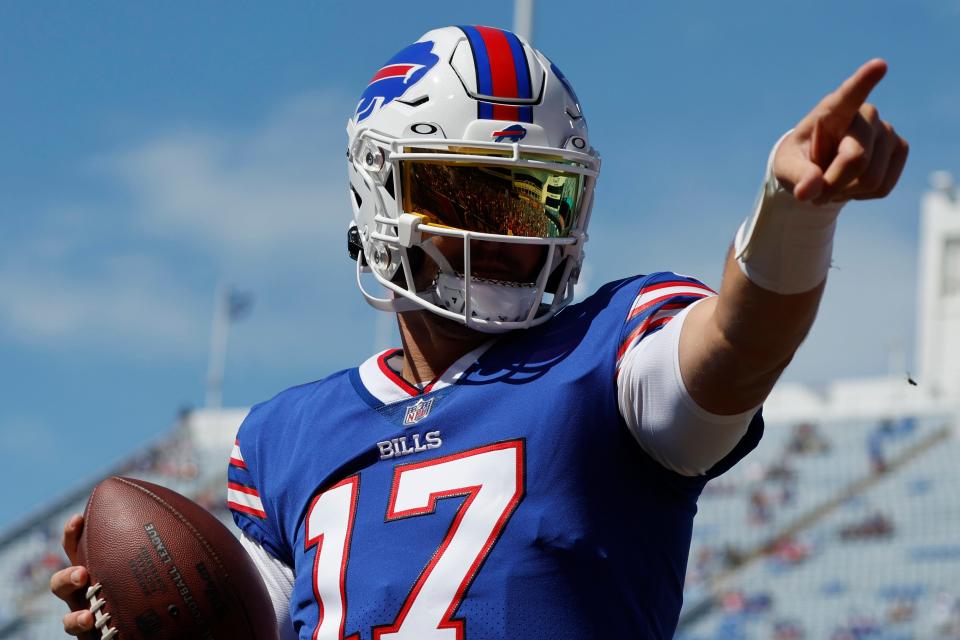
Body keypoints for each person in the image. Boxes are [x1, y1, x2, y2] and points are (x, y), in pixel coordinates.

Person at [51, 25, 907, 639]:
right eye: (468, 196)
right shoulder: (284, 437)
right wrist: (133, 612)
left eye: (541, 199)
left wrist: (794, 214)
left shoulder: (604, 353)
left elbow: (736, 349)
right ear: (380, 196)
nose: (507, 231)